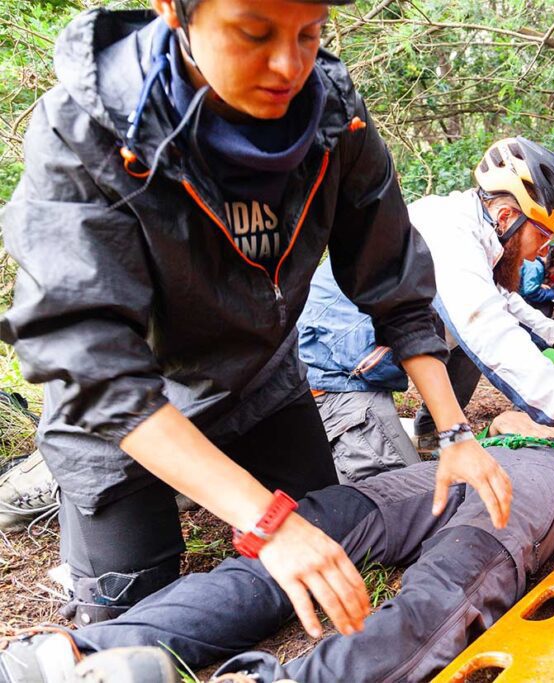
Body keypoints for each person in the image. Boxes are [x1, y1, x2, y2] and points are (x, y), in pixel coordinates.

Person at [0, 0, 511, 631]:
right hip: (124, 419)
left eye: (309, 33)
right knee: (131, 621)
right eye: (253, 32)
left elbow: (392, 277)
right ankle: (58, 498)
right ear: (173, 12)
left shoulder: (333, 119)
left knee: (335, 532)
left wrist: (456, 431)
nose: (288, 65)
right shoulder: (84, 135)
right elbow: (95, 368)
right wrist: (266, 521)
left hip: (258, 380)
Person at [0, 412, 554, 683]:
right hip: (470, 458)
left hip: (549, 478)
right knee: (318, 525)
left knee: (450, 586)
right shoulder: (551, 356)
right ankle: (84, 654)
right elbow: (514, 409)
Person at [406, 137, 554, 523]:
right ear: (506, 217)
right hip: (341, 372)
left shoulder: (481, 231)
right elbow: (487, 326)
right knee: (408, 500)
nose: (544, 250)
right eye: (543, 235)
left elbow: (503, 300)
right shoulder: (448, 229)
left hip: (385, 353)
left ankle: (426, 432)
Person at [298, 258, 420, 483]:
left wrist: (438, 430)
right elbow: (366, 361)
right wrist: (456, 434)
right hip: (335, 385)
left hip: (353, 372)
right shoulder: (425, 253)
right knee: (414, 494)